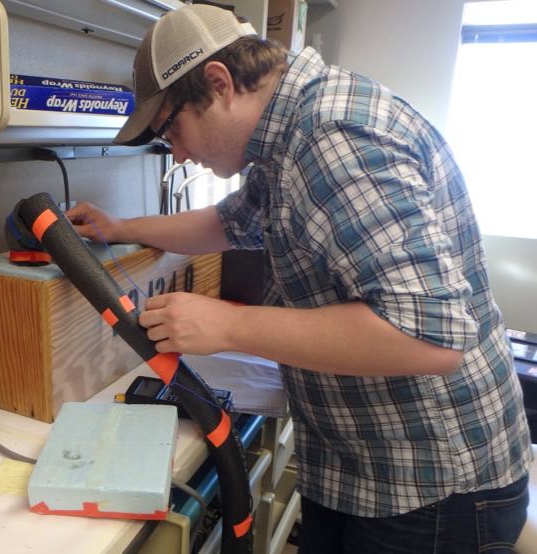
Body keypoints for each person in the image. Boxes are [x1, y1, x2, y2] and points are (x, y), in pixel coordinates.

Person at [66, 4, 532, 552]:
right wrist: (119, 226)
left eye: (173, 128)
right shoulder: (283, 144)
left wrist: (231, 328)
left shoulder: (332, 138)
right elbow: (226, 222)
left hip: (427, 483)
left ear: (219, 84)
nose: (180, 153)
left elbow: (429, 337)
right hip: (360, 467)